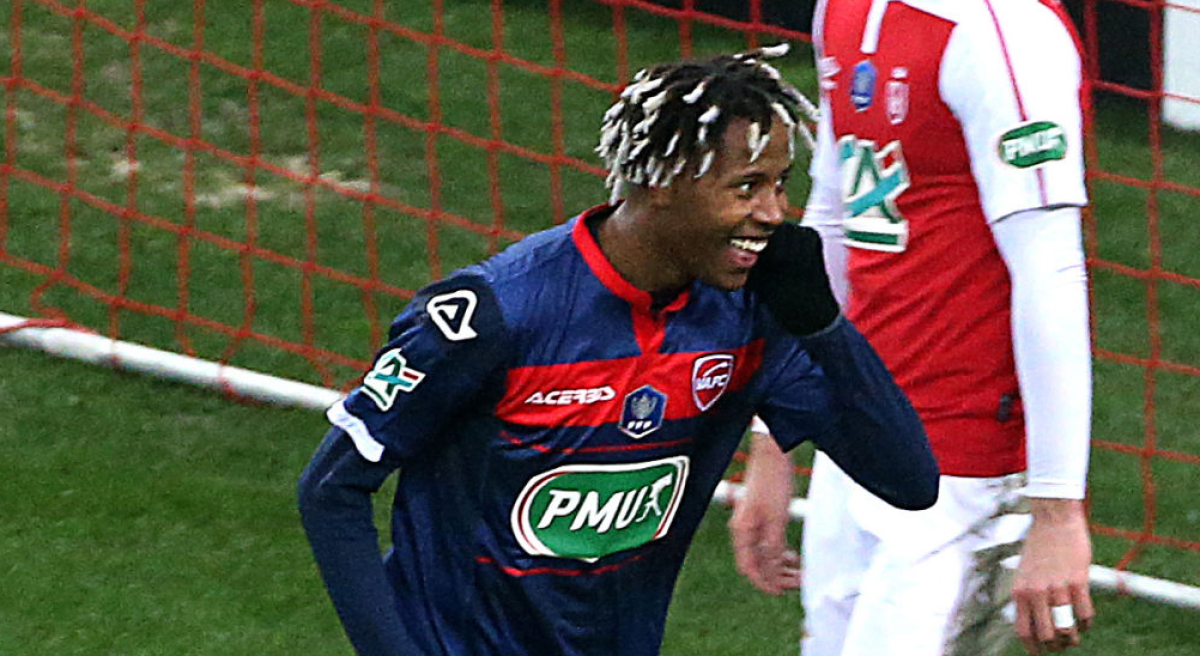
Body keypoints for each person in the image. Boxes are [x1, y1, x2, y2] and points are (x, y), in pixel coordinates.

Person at [297, 45, 939, 656]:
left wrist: (822, 324)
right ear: (663, 181)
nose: (775, 212)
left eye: (780, 183)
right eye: (747, 188)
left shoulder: (750, 318)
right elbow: (331, 489)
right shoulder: (494, 315)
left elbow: (909, 480)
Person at [728, 1, 1094, 656]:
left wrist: (1057, 512)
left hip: (963, 458)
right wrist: (772, 438)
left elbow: (1052, 269)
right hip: (860, 425)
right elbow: (834, 215)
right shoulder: (843, 8)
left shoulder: (1004, 34)